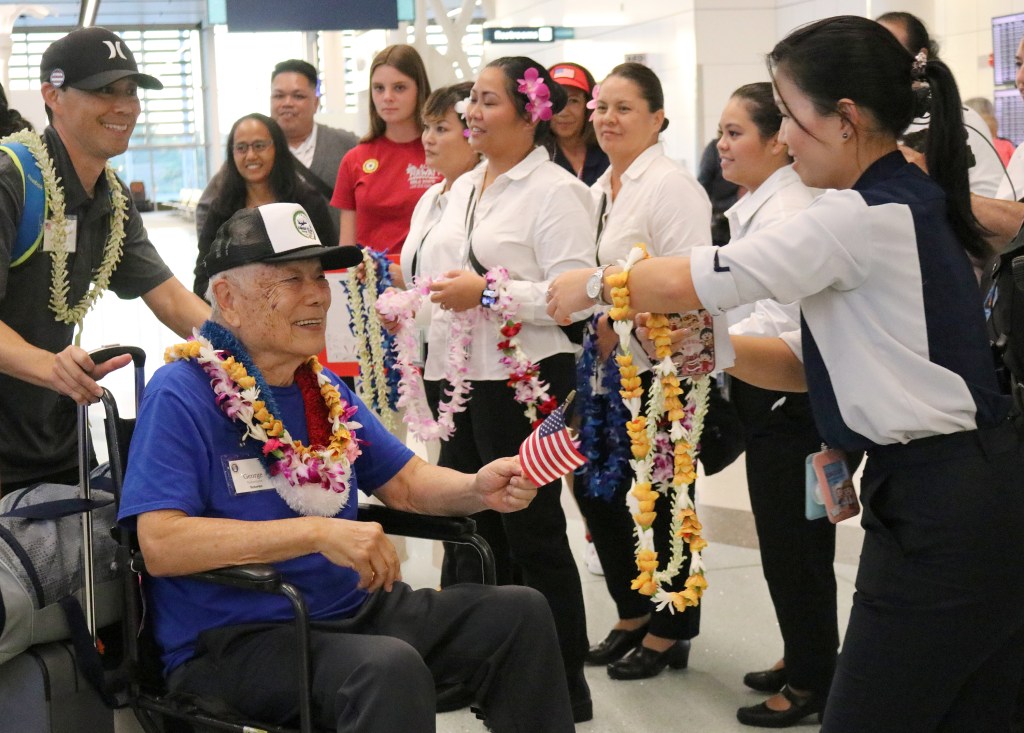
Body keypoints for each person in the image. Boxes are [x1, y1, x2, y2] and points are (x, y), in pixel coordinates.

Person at [548, 15, 1024, 732]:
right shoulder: (891, 204)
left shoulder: (858, 217)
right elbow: (811, 362)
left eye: (788, 116)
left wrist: (589, 286)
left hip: (946, 501)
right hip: (953, 490)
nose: (780, 137)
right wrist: (715, 353)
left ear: (844, 121)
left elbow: (700, 279)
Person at [117, 202, 574, 733]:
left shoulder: (322, 388)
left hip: (352, 611)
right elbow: (161, 543)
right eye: (291, 278)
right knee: (385, 669)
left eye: (319, 277)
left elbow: (405, 483)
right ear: (227, 300)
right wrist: (314, 533)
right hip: (238, 638)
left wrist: (478, 487)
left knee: (518, 613)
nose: (317, 294)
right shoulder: (182, 392)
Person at [425, 57, 595, 723]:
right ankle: (467, 662)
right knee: (467, 522)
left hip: (526, 380)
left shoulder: (553, 191)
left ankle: (561, 678)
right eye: (471, 99)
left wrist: (488, 292)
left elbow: (574, 296)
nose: (471, 112)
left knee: (532, 530)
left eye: (488, 101)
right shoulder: (468, 187)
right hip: (464, 377)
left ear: (530, 113)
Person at [0, 27, 209, 493]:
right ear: (51, 95)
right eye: (102, 91)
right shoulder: (11, 180)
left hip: (60, 441)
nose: (125, 107)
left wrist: (244, 352)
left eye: (130, 91)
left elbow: (171, 299)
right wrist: (52, 367)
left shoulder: (112, 197)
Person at [571, 61, 712, 682]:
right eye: (601, 107)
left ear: (658, 117)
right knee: (598, 486)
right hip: (608, 367)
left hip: (665, 368)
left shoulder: (673, 186)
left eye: (624, 108)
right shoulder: (605, 186)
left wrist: (618, 320)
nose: (607, 118)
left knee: (662, 490)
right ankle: (633, 609)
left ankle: (671, 625)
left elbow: (686, 285)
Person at [715, 82, 846, 727]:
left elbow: (786, 326)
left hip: (793, 405)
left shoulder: (790, 212)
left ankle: (815, 681)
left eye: (737, 132)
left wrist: (703, 339)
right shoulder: (757, 207)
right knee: (787, 544)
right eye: (721, 132)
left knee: (796, 547)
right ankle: (807, 655)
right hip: (767, 397)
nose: (722, 145)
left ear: (777, 141)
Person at [196, 59, 358, 236]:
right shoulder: (251, 154)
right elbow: (207, 208)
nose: (287, 103)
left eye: (298, 96)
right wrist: (218, 255)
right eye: (279, 96)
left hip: (333, 259)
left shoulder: (347, 146)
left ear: (315, 102)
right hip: (265, 261)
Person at [192, 113, 336, 298]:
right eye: (241, 148)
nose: (251, 155)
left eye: (259, 146)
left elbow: (329, 268)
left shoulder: (307, 203)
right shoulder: (221, 210)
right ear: (232, 154)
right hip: (239, 318)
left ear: (278, 149)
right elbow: (203, 279)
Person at [877, 10, 1008, 199]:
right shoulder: (865, 118)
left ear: (919, 58)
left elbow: (992, 203)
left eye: (886, 49)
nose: (875, 60)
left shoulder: (962, 119)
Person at [332, 45, 441, 256]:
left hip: (431, 280)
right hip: (370, 282)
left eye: (399, 88)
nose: (387, 97)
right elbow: (346, 247)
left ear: (419, 89)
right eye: (379, 88)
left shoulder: (442, 151)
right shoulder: (354, 159)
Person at [546, 62, 609, 186]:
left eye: (573, 101)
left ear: (589, 105)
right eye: (555, 101)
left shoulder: (608, 150)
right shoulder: (537, 156)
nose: (563, 112)